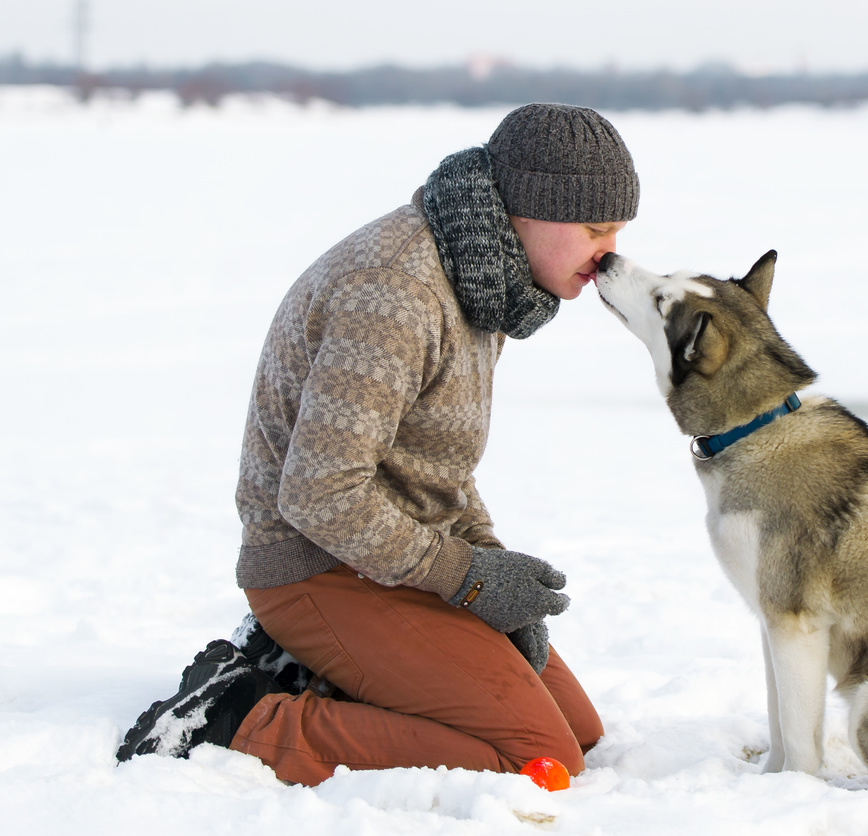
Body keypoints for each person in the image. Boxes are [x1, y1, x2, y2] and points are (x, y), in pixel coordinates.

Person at [115, 103, 638, 786]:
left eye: (621, 229)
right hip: (316, 567)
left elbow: (437, 468)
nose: (612, 252)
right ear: (526, 212)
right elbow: (319, 494)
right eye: (595, 227)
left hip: (395, 561)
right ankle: (235, 718)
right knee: (536, 760)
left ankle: (329, 678)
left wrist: (494, 576)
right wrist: (469, 579)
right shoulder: (394, 291)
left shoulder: (483, 283)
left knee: (579, 733)